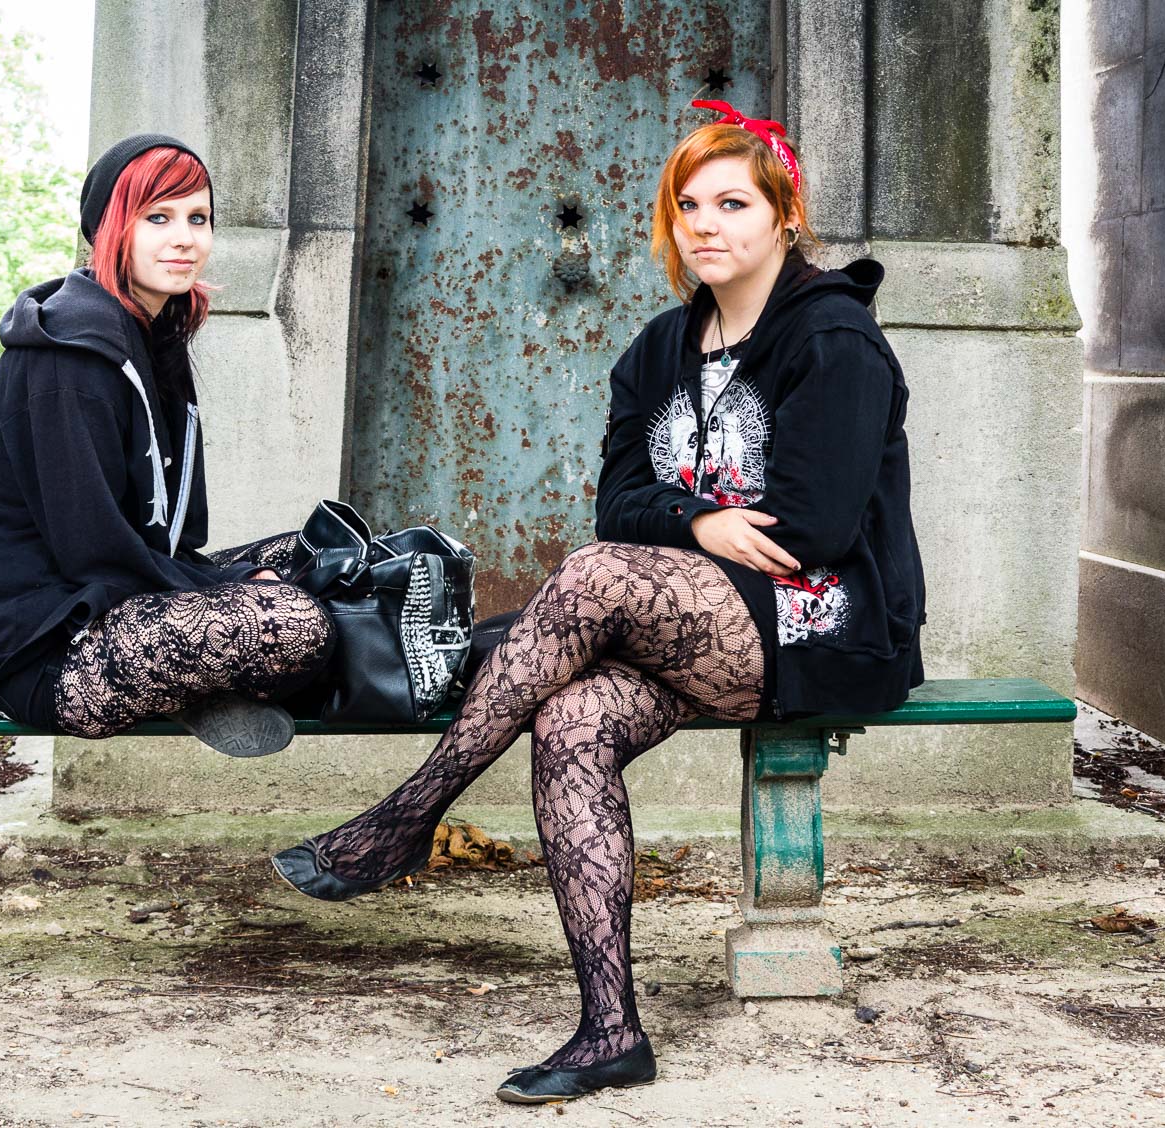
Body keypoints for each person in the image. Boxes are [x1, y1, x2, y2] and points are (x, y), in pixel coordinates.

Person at [272, 101, 925, 1103]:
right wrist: (700, 522)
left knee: (591, 575)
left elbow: (817, 530)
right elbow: (619, 500)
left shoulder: (834, 339)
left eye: (734, 203)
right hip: (702, 621)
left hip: (822, 626)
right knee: (571, 718)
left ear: (785, 216)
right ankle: (609, 1029)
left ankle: (412, 813)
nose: (708, 224)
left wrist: (674, 530)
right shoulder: (660, 349)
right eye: (689, 205)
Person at [0, 134, 333, 754]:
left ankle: (193, 683)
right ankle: (198, 683)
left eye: (197, 219)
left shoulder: (152, 333)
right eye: (158, 217)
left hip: (99, 602)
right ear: (111, 228)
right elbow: (96, 549)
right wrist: (234, 594)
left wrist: (241, 582)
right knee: (294, 621)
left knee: (316, 555)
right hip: (32, 647)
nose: (185, 238)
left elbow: (176, 533)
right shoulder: (70, 357)